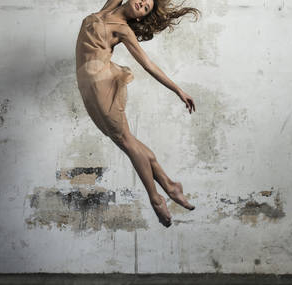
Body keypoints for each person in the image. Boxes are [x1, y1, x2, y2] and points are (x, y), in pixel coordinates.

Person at [75, 0, 201, 227]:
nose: (142, 4)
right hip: (87, 87)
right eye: (143, 0)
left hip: (102, 85)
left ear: (140, 18)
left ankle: (155, 198)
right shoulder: (108, 8)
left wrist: (178, 90)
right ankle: (170, 185)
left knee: (126, 142)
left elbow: (148, 65)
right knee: (128, 142)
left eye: (145, 8)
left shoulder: (123, 29)